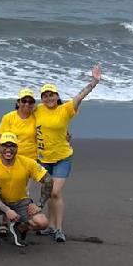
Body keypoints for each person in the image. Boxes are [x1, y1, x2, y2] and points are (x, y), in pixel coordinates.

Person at [35, 64, 101, 242]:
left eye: (52, 95)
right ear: (42, 98)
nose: (49, 98)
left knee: (55, 192)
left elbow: (80, 96)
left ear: (57, 96)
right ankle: (49, 226)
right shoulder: (37, 110)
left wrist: (93, 82)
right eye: (45, 95)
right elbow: (22, 115)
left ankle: (59, 229)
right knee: (49, 192)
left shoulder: (65, 110)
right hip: (43, 159)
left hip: (62, 158)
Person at [0, 132, 52, 249]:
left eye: (12, 146)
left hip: (20, 201)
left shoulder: (28, 163)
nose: (8, 149)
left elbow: (48, 180)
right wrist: (7, 210)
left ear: (17, 148)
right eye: (4, 146)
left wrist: (40, 204)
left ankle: (20, 228)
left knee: (42, 223)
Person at [0, 88, 38, 161]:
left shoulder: (37, 118)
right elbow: (1, 139)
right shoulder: (8, 117)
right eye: (24, 101)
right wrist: (3, 157)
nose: (27, 104)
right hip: (12, 157)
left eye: (30, 102)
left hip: (32, 158)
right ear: (18, 102)